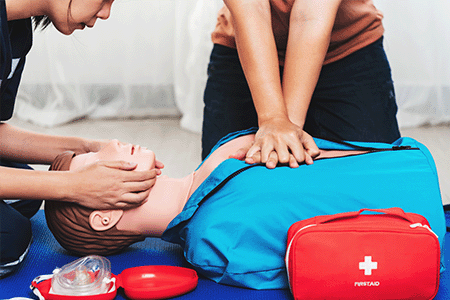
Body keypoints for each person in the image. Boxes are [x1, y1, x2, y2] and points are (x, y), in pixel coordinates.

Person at [45, 128, 446, 289]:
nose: (111, 145)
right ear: (105, 216)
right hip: (416, 228)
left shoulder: (218, 160)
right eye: (96, 163)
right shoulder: (214, 242)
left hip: (407, 165)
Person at [0, 0, 160, 278]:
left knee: (25, 196)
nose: (106, 13)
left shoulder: (15, 31)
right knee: (8, 236)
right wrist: (74, 185)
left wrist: (86, 148)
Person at [202, 0, 401, 169]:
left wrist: (288, 135)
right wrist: (272, 119)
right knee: (221, 186)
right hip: (243, 48)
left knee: (374, 184)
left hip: (347, 47)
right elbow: (251, 8)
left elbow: (310, 16)